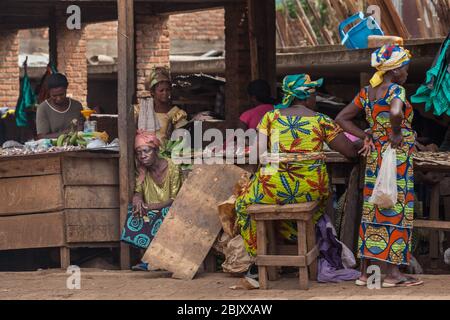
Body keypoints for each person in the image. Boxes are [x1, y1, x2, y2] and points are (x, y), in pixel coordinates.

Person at [235, 74, 358, 262]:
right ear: (308, 97)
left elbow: (256, 154)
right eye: (314, 95)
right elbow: (349, 152)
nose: (315, 99)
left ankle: (258, 258)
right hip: (310, 190)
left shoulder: (270, 117)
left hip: (273, 189)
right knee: (320, 205)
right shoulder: (322, 120)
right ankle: (309, 249)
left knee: (242, 204)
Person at [336, 44, 423, 287]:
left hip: (375, 157)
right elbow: (396, 111)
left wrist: (369, 135)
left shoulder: (367, 92)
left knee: (373, 209)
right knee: (395, 207)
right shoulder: (396, 89)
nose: (407, 72)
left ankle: (366, 274)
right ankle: (394, 275)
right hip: (396, 158)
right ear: (395, 70)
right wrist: (395, 131)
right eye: (405, 68)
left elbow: (342, 118)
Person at [129, 130, 183, 271]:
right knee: (134, 212)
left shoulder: (173, 167)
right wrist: (137, 198)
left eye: (146, 151)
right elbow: (138, 190)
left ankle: (158, 260)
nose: (142, 156)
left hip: (171, 209)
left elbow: (175, 199)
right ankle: (147, 260)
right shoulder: (142, 171)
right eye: (139, 153)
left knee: (163, 214)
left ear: (156, 150)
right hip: (150, 210)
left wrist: (151, 207)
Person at [137, 66, 188, 143]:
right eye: (161, 90)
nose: (165, 93)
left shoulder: (176, 113)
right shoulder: (143, 110)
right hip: (145, 152)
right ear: (153, 92)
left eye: (167, 90)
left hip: (165, 153)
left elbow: (181, 138)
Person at [36, 73, 83, 139]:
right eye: (54, 96)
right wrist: (69, 132)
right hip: (52, 148)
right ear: (49, 92)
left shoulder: (77, 106)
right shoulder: (43, 108)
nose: (58, 98)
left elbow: (82, 129)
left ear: (66, 89)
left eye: (62, 94)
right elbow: (41, 136)